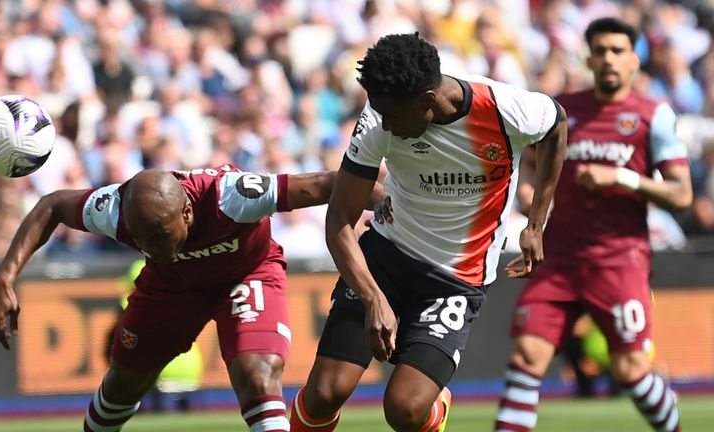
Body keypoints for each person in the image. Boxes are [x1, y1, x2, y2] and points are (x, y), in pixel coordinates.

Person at [290, 33, 567, 432]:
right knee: (325, 392)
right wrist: (372, 299)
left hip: (456, 278)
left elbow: (557, 124)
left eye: (393, 117)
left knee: (404, 409)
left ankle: (434, 410)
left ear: (428, 100)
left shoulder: (506, 109)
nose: (385, 124)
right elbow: (339, 221)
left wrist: (537, 224)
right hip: (385, 257)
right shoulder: (378, 120)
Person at [0, 165, 382, 432]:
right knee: (123, 384)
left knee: (257, 375)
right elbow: (51, 206)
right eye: (138, 238)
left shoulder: (233, 195)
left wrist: (390, 204)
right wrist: (4, 277)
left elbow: (332, 183)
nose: (148, 246)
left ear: (187, 213)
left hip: (247, 274)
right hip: (171, 285)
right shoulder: (113, 208)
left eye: (159, 236)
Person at [494, 18, 692, 432]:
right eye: (600, 50)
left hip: (619, 260)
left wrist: (619, 177)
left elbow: (681, 194)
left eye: (617, 50)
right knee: (526, 358)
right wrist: (531, 200)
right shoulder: (562, 110)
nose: (608, 59)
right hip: (560, 258)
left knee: (630, 371)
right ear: (589, 57)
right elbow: (529, 167)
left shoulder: (652, 115)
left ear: (635, 59)